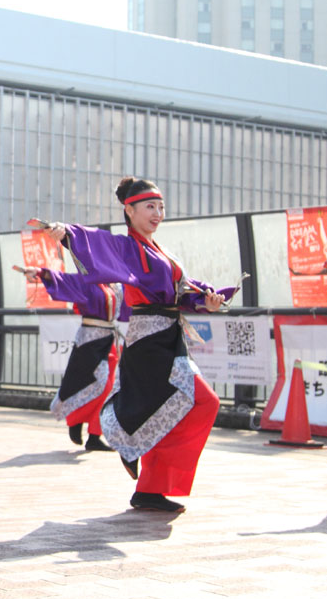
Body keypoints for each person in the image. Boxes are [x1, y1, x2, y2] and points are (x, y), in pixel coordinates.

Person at [36, 176, 238, 513]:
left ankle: (149, 485)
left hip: (165, 338)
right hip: (149, 340)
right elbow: (99, 243)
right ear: (129, 211)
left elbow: (181, 292)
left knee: (186, 404)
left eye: (160, 207)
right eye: (149, 206)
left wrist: (207, 299)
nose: (157, 213)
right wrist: (67, 234)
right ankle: (131, 450)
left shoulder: (159, 250)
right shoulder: (129, 247)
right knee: (201, 401)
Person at [21, 266, 122, 452]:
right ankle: (75, 420)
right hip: (90, 337)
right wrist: (42, 273)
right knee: (94, 382)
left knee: (109, 388)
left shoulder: (114, 284)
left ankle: (94, 434)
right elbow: (64, 280)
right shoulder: (87, 280)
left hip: (109, 339)